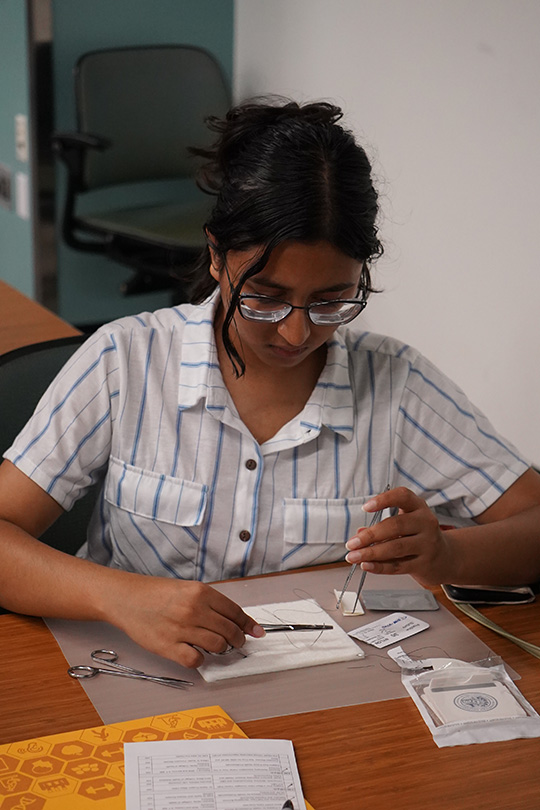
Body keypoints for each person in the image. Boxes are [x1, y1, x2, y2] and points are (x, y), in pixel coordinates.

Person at [0, 98, 539, 669]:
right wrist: (119, 596)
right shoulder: (123, 360)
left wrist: (447, 554)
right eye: (267, 297)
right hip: (134, 670)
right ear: (216, 256)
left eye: (331, 301)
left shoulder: (395, 384)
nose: (298, 330)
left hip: (314, 689)